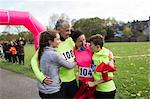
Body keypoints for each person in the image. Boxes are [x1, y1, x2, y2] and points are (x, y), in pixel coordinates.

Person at [31, 19, 78, 98]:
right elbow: (33, 61)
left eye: (70, 30)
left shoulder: (70, 40)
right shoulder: (50, 45)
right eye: (67, 30)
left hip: (72, 80)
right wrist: (41, 77)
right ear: (58, 30)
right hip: (59, 83)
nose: (69, 33)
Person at [87, 34, 116, 99]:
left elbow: (110, 77)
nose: (89, 46)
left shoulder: (103, 59)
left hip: (106, 91)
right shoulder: (99, 51)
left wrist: (94, 83)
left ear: (97, 46)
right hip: (99, 89)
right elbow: (109, 51)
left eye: (91, 45)